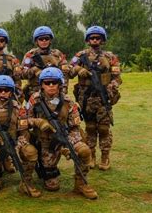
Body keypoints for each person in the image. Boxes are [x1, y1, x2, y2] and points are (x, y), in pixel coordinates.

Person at [26, 67, 98, 199]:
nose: (51, 85)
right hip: (44, 141)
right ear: (42, 84)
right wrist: (37, 122)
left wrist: (69, 143)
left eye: (55, 82)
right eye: (47, 83)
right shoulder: (34, 100)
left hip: (64, 136)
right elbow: (23, 120)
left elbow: (75, 127)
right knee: (52, 184)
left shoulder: (68, 102)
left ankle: (81, 183)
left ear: (60, 84)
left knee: (84, 151)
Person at [0, 75, 47, 197]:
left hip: (12, 141)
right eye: (0, 90)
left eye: (6, 90)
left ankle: (25, 181)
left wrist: (18, 147)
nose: (3, 92)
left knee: (30, 152)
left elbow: (23, 131)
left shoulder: (17, 107)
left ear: (11, 91)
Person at [69, 26, 122, 170]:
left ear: (102, 40)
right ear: (87, 40)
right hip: (86, 98)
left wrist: (112, 86)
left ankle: (105, 157)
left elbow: (117, 78)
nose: (95, 40)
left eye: (98, 38)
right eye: (92, 38)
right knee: (90, 128)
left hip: (103, 97)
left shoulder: (110, 57)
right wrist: (79, 69)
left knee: (104, 128)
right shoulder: (80, 55)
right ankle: (91, 155)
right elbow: (68, 70)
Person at [21, 26, 70, 101]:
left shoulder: (57, 54)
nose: (44, 41)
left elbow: (65, 73)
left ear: (50, 40)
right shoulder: (31, 55)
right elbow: (22, 74)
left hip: (55, 92)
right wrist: (34, 70)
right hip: (35, 93)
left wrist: (63, 89)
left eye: (46, 38)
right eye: (41, 39)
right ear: (36, 41)